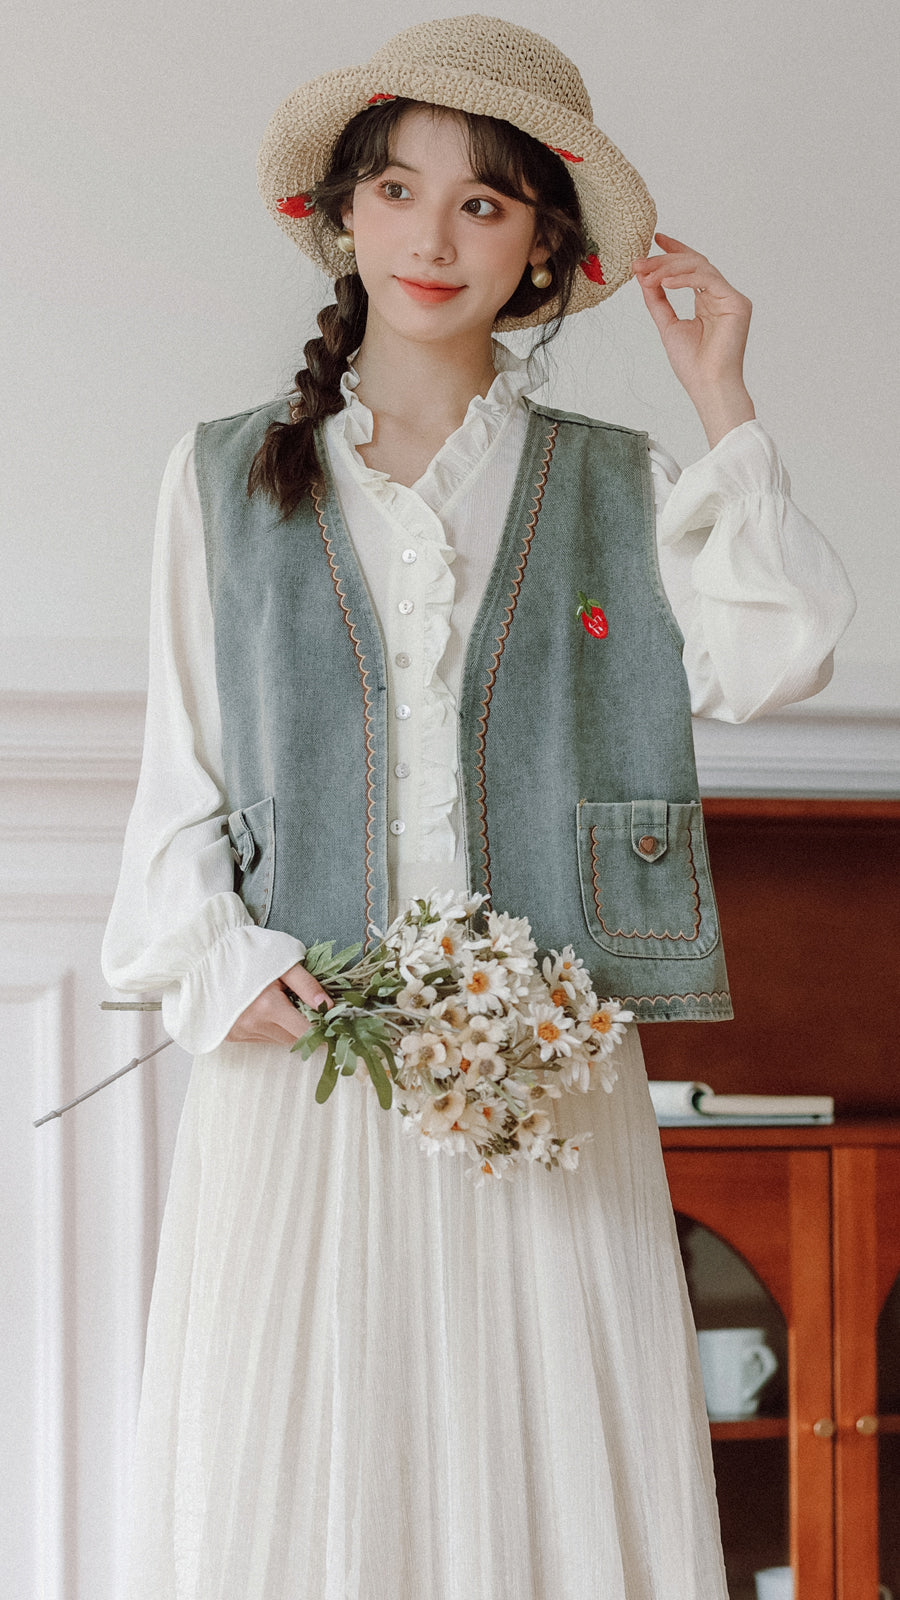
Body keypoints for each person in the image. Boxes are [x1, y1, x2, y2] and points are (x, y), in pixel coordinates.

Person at [102, 15, 855, 1598]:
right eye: (394, 190)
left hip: (548, 1086)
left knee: (546, 1481)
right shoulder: (223, 475)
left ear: (545, 251)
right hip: (306, 1078)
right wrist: (221, 962)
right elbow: (181, 786)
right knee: (308, 1486)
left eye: (483, 204)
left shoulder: (622, 480)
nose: (430, 238)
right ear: (341, 219)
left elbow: (777, 653)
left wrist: (722, 394)